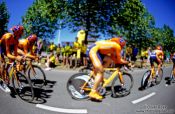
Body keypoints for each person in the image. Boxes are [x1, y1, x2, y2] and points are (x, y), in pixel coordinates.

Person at [0, 25, 24, 92]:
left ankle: (6, 72)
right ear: (16, 33)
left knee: (13, 60)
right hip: (1, 47)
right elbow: (8, 54)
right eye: (20, 34)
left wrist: (19, 58)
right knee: (3, 63)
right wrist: (16, 57)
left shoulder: (16, 41)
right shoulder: (8, 36)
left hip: (7, 48)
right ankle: (1, 82)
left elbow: (15, 53)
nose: (21, 35)